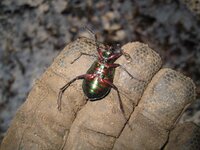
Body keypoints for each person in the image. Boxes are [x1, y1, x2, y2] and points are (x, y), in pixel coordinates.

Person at [1, 37, 199, 150]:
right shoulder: (103, 59)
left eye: (105, 52)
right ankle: (62, 92)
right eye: (103, 51)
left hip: (97, 82)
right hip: (97, 82)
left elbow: (116, 59)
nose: (104, 52)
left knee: (114, 88)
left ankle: (67, 93)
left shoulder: (108, 60)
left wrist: (123, 61)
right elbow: (96, 56)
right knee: (87, 80)